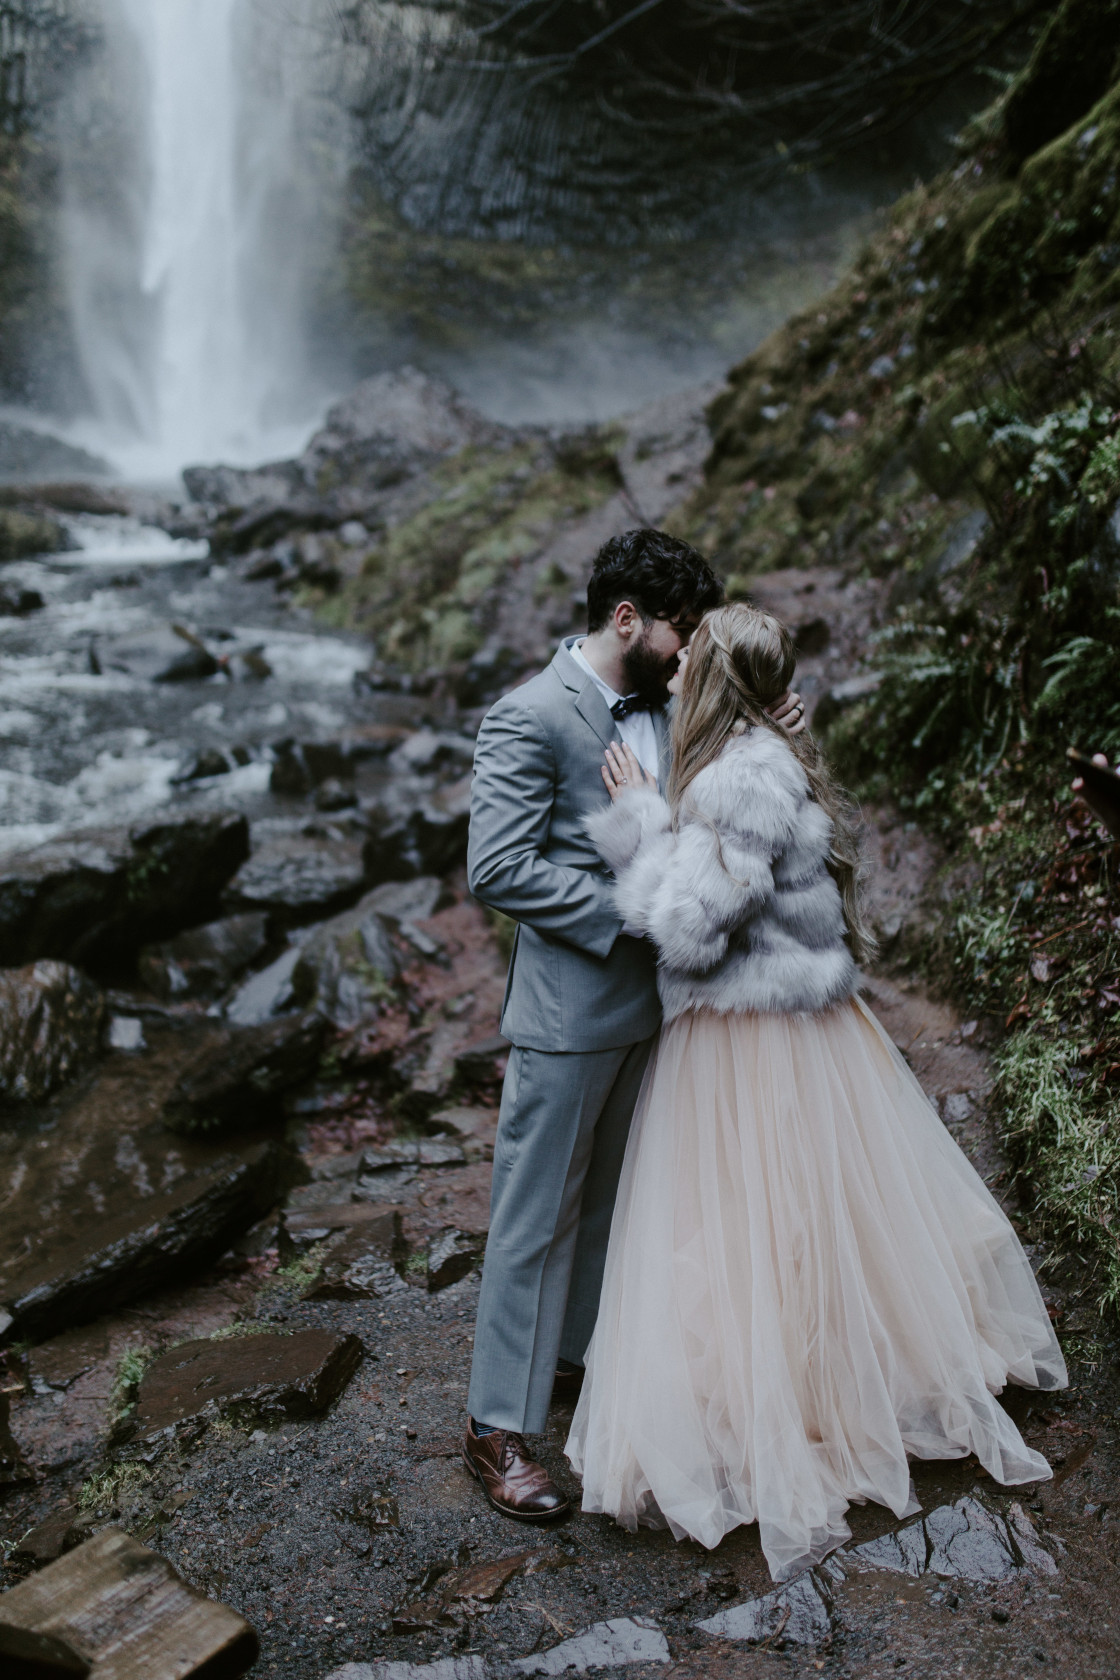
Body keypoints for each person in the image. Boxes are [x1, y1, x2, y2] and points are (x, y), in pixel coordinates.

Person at [566, 602, 1067, 1581]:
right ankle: (818, 1372)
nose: (672, 671)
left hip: (757, 1030)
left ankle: (802, 1399)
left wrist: (635, 827)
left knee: (765, 1213)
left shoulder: (741, 779)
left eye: (690, 660)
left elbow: (692, 924)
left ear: (713, 678)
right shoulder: (755, 755)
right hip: (798, 1021)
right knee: (809, 1213)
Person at [461, 530, 805, 1521]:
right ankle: (496, 1428)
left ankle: (576, 1371)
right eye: (678, 631)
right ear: (626, 620)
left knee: (617, 1202)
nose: (688, 650)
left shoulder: (672, 695)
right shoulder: (527, 716)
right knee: (535, 1216)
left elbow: (733, 785)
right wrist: (636, 910)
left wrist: (777, 719)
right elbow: (498, 868)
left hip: (668, 1010)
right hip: (573, 1009)